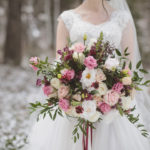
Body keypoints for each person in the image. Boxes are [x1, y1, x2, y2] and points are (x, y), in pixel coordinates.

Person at [24, 0, 150, 149]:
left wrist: (115, 91)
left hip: (114, 99)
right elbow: (60, 64)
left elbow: (128, 68)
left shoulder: (122, 19)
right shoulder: (67, 18)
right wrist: (71, 91)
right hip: (75, 98)